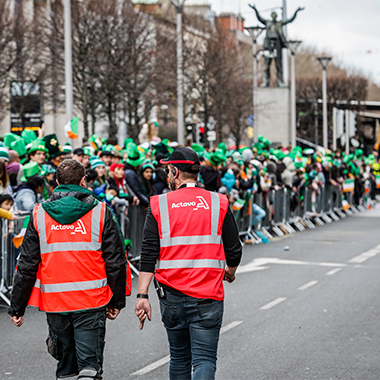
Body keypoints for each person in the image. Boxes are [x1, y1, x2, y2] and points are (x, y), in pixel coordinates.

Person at [9, 159, 127, 380]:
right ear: (83, 181)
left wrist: (17, 307)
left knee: (66, 365)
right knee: (89, 366)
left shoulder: (39, 214)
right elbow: (115, 260)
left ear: (56, 182)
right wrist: (117, 300)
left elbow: (26, 264)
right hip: (92, 300)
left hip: (56, 302)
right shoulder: (101, 211)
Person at [135, 147, 242, 380]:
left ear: (175, 172)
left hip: (171, 295)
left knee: (180, 358)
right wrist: (230, 273)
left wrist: (142, 295)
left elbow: (149, 253)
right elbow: (234, 249)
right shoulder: (219, 202)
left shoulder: (159, 204)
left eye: (167, 170)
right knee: (204, 359)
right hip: (208, 294)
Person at [249, 4, 304, 87]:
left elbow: (290, 20)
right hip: (268, 45)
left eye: (275, 15)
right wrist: (255, 9)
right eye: (273, 15)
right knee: (267, 64)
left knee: (278, 64)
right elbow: (259, 18)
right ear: (271, 16)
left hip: (277, 44)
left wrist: (296, 11)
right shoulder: (268, 22)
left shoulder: (280, 23)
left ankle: (279, 81)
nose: (274, 16)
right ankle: (266, 81)